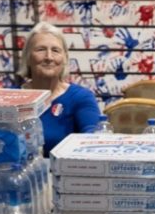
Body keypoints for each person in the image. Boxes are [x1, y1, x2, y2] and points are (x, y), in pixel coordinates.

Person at [19, 22, 101, 153]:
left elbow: (93, 137)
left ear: (64, 59)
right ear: (28, 58)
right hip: (20, 172)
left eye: (56, 51)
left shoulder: (80, 97)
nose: (49, 57)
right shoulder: (11, 99)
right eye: (40, 50)